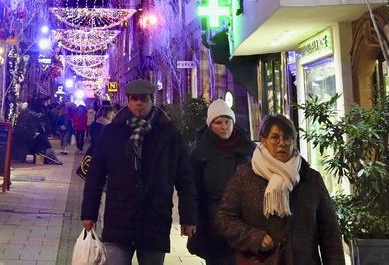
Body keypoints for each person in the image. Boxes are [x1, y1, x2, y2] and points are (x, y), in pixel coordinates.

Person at [81, 78, 197, 265]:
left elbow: (185, 179)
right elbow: (95, 174)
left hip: (154, 219)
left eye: (144, 99)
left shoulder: (169, 134)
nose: (139, 103)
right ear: (128, 101)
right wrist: (89, 213)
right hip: (119, 217)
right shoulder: (112, 132)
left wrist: (188, 218)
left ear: (152, 100)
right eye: (134, 98)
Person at [215, 114, 344, 265]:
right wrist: (254, 238)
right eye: (275, 138)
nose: (281, 143)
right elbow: (224, 218)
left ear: (294, 142)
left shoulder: (310, 179)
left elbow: (330, 232)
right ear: (263, 140)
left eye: (287, 138)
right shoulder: (245, 175)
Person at [186, 99, 255, 265]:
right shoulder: (199, 153)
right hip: (213, 221)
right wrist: (191, 219)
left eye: (227, 121)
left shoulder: (249, 149)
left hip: (244, 219)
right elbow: (192, 190)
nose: (224, 127)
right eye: (218, 122)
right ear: (210, 125)